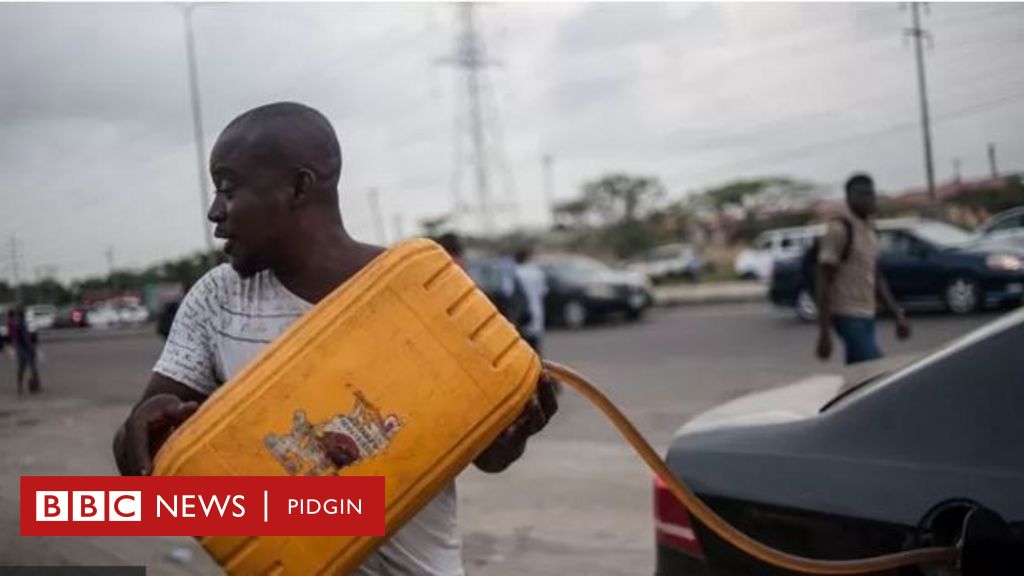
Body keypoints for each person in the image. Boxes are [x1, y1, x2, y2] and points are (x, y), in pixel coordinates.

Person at [112, 102, 558, 576]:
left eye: (228, 187)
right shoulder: (216, 300)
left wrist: (514, 432)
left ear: (298, 186)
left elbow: (487, 457)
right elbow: (139, 466)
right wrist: (142, 430)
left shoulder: (419, 294)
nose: (214, 211)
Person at [816, 173, 910, 365]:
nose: (869, 200)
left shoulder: (869, 229)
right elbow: (823, 280)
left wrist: (897, 316)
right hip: (846, 314)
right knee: (874, 368)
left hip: (867, 313)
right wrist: (824, 333)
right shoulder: (839, 229)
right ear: (849, 198)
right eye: (863, 195)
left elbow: (876, 277)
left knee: (859, 373)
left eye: (871, 194)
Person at [512, 246, 547, 355]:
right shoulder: (537, 272)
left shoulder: (516, 273)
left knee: (523, 350)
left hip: (522, 316)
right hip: (537, 313)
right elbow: (543, 291)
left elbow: (510, 294)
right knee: (536, 348)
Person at [7, 307, 41, 395]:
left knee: (23, 367)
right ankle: (34, 385)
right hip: (25, 348)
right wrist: (31, 346)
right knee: (31, 366)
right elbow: (27, 337)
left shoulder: (18, 324)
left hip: (20, 347)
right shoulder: (22, 324)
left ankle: (21, 387)